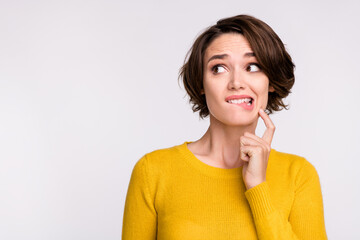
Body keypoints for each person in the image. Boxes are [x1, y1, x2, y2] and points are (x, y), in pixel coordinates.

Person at [122, 14, 327, 239]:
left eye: (253, 66)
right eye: (219, 68)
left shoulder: (298, 175)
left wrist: (258, 187)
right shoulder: (152, 172)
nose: (237, 82)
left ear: (270, 81)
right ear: (201, 83)